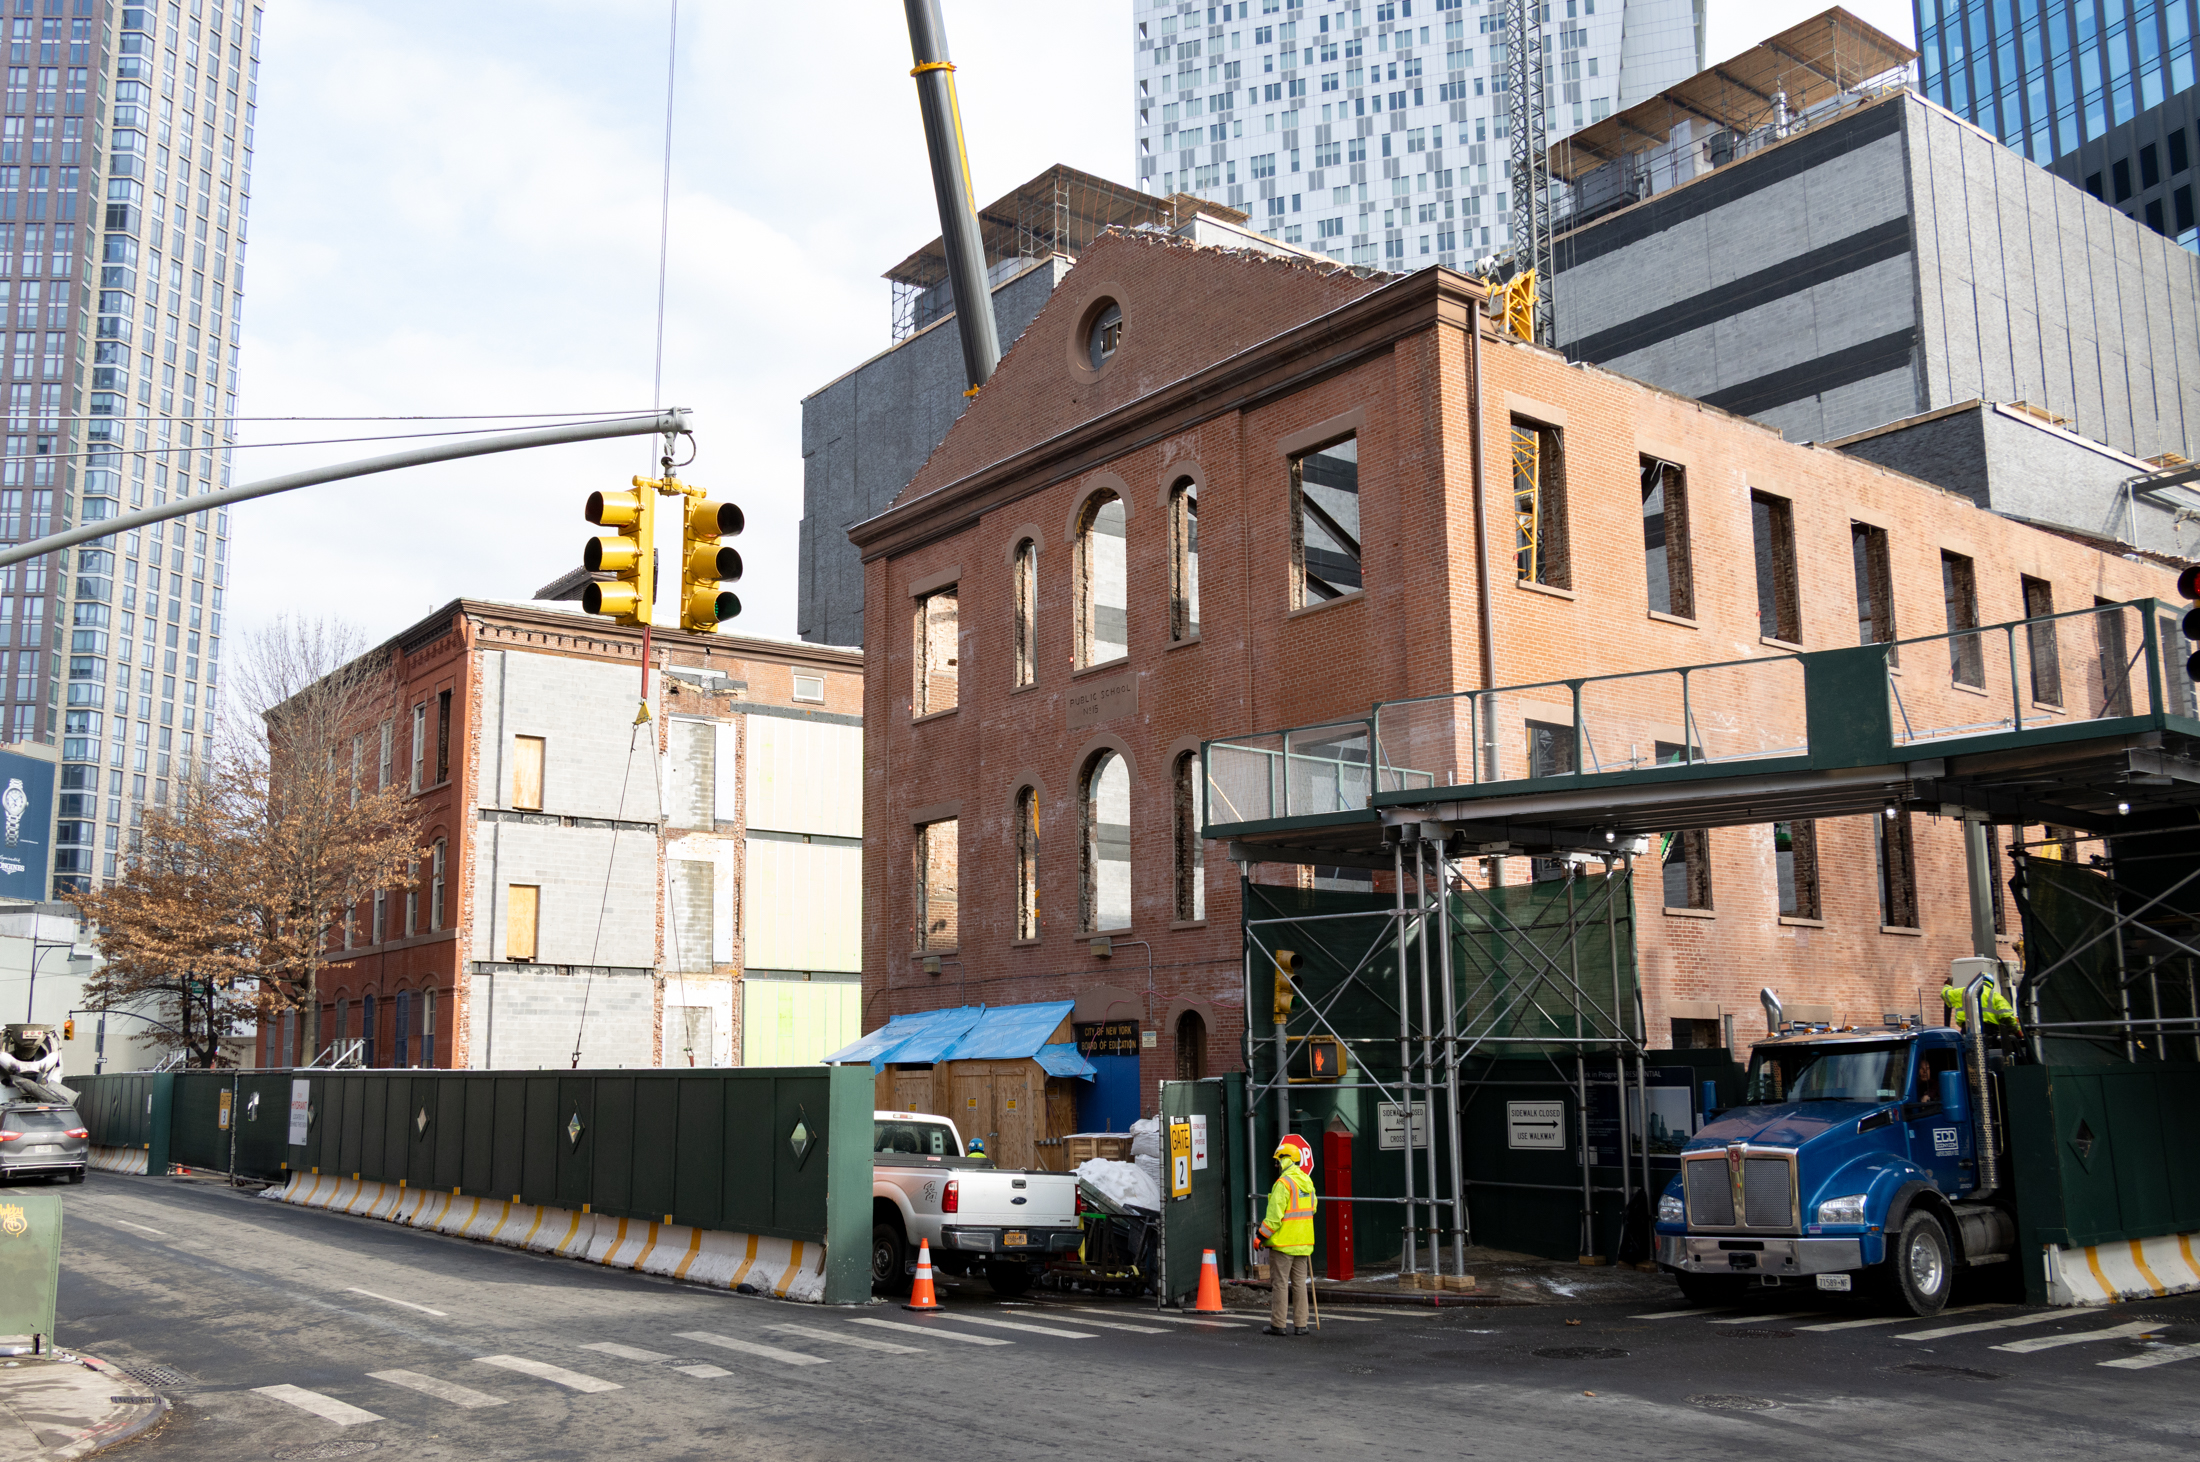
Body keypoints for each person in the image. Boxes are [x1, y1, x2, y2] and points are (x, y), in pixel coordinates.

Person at [1259, 1133, 1318, 1336]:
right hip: (1303, 1244)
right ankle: (1301, 1324)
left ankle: (1278, 1324)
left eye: (1278, 1161)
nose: (1276, 1165)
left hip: (1284, 1245)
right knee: (1300, 1284)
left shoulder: (1283, 1184)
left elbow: (1274, 1219)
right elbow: (1313, 1209)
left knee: (1281, 1284)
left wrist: (1260, 1237)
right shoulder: (1307, 1184)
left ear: (1285, 1160)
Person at [1943, 967, 2021, 1050]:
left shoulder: (1963, 992)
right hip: (1989, 1033)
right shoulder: (1996, 996)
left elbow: (1945, 994)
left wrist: (1947, 985)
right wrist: (2017, 1032)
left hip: (1967, 1031)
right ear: (1991, 983)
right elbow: (2007, 1017)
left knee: (1968, 1055)